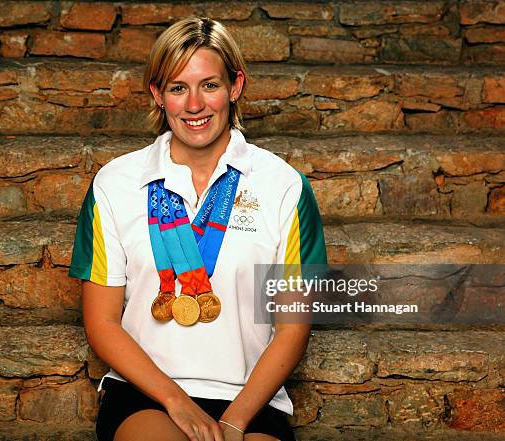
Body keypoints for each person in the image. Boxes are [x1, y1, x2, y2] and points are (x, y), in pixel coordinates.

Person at [69, 16, 327, 441]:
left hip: (251, 399)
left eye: (209, 85)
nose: (194, 105)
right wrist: (176, 402)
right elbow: (102, 322)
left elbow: (292, 327)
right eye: (177, 88)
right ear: (157, 93)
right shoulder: (114, 184)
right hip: (146, 394)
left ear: (235, 86)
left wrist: (234, 421)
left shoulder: (284, 187)